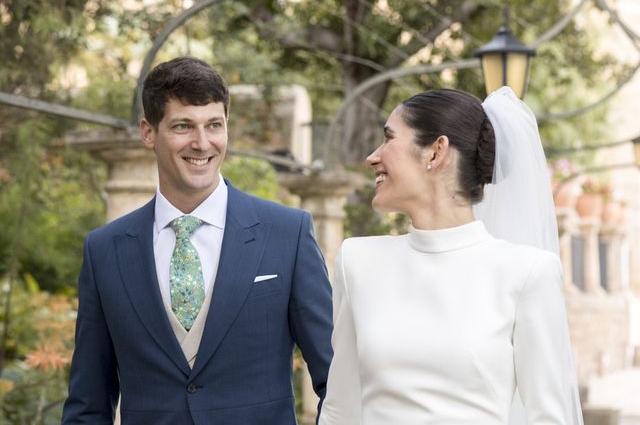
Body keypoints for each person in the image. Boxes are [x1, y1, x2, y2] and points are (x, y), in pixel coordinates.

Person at [61, 56, 333, 424]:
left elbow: (335, 381)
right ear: (148, 132)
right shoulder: (105, 250)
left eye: (214, 125)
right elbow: (87, 404)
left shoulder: (287, 232)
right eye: (183, 126)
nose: (202, 143)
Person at [319, 87, 583, 425]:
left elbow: (550, 418)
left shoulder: (528, 272)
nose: (373, 157)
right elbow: (341, 410)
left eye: (388, 138)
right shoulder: (358, 261)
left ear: (436, 151)